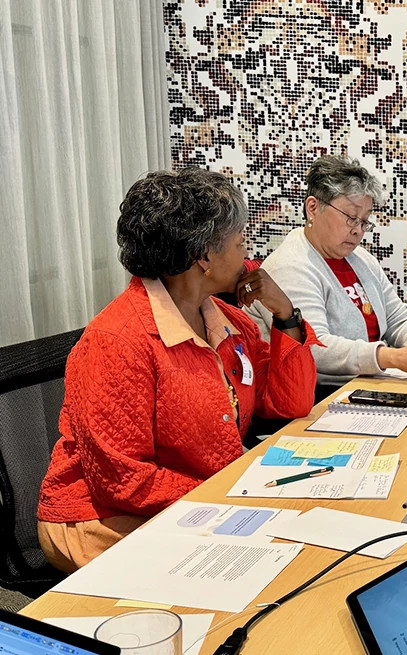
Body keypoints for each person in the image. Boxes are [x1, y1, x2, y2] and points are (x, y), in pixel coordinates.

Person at [37, 168, 320, 571]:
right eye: (241, 243)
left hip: (194, 500)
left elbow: (290, 403)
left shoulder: (228, 321)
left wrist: (286, 314)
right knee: (265, 567)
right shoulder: (118, 342)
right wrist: (229, 495)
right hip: (99, 518)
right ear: (204, 256)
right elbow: (124, 482)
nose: (249, 255)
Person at [250, 155, 407, 388]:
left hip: (361, 386)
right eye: (351, 218)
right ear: (313, 208)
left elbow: (398, 319)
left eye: (364, 222)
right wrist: (391, 357)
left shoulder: (361, 260)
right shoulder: (290, 265)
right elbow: (315, 348)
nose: (358, 231)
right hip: (317, 396)